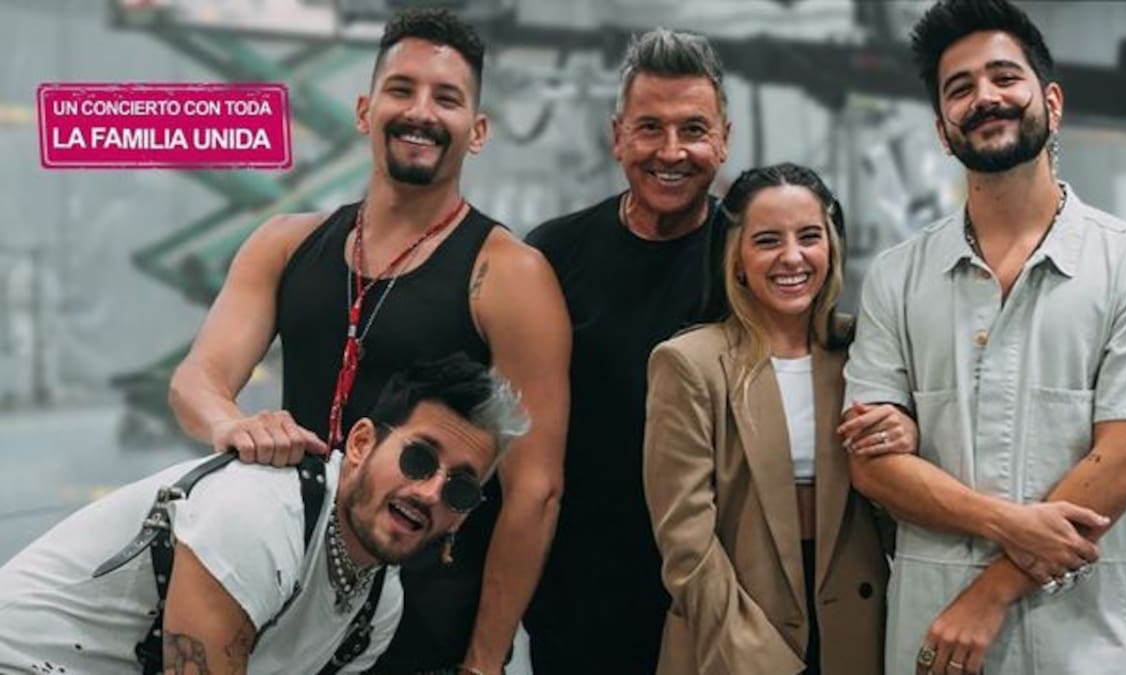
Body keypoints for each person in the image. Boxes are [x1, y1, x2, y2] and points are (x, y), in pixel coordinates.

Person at [166, 9, 570, 675]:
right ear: (364, 110)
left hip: (421, 630)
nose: (421, 112)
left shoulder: (509, 276)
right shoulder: (283, 244)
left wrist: (482, 660)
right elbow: (196, 379)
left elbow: (535, 490)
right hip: (283, 609)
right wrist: (232, 423)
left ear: (477, 131)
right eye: (401, 89)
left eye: (447, 98)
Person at [838, 1, 1126, 674]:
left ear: (1051, 103)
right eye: (960, 88)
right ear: (943, 130)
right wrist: (1008, 522)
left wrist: (990, 593)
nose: (985, 97)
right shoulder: (896, 278)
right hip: (934, 646)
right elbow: (872, 466)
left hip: (1080, 645)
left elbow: (1125, 460)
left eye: (1005, 77)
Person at [0, 355, 528, 675]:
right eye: (419, 459)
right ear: (361, 443)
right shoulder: (264, 512)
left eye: (461, 489)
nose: (431, 492)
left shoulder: (378, 607)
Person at [643, 163, 914, 675]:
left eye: (809, 236)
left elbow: (901, 502)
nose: (792, 257)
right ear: (736, 258)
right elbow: (685, 544)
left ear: (831, 246)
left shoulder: (865, 349)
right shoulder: (689, 363)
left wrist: (907, 433)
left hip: (856, 634)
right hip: (734, 637)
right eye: (768, 240)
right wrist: (756, 657)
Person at [523, 28, 729, 674]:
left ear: (724, 138)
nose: (671, 151)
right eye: (649, 129)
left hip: (715, 603)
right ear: (618, 137)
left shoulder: (752, 258)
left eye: (693, 130)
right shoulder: (552, 256)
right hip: (579, 607)